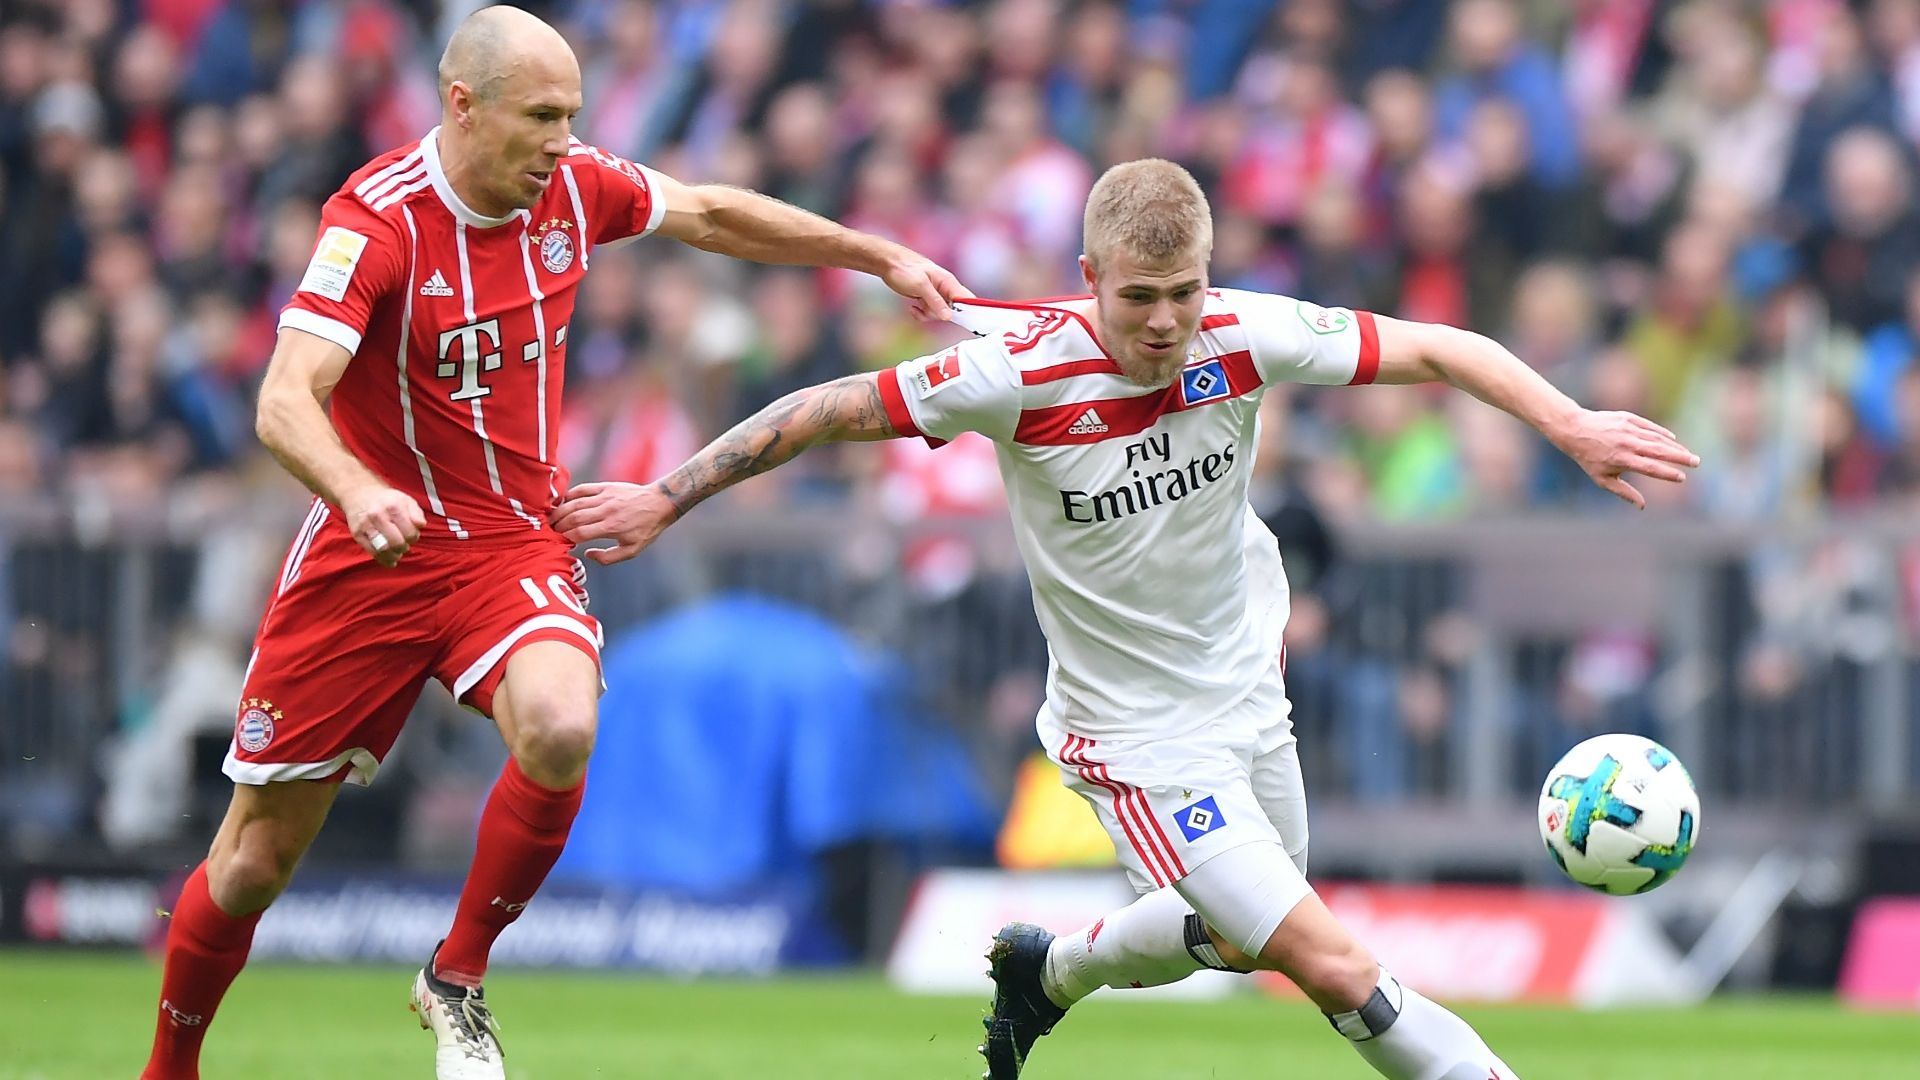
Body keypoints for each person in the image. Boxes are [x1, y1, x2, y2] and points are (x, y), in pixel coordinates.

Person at [558, 158, 1700, 1080]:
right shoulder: (1012, 371)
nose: (1165, 324)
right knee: (1330, 964)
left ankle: (1049, 973)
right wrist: (667, 495)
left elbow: (1442, 345)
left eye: (1185, 293)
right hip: (1138, 739)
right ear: (1088, 275)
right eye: (1138, 297)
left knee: (1244, 939)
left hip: (1249, 686)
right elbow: (821, 410)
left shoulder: (1246, 334)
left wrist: (1571, 424)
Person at [139, 7, 969, 1080]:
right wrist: (353, 487)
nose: (564, 141)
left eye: (574, 116)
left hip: (510, 542)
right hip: (372, 552)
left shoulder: (572, 187)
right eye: (541, 116)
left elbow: (710, 210)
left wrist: (874, 253)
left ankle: (456, 975)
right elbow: (283, 398)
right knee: (254, 863)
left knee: (563, 726)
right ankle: (169, 1067)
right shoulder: (377, 221)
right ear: (461, 105)